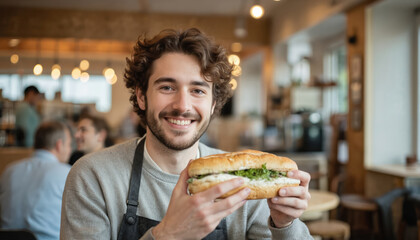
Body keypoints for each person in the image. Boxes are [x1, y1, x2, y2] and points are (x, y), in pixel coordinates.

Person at [61, 28, 312, 239]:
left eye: (198, 90)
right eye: (167, 87)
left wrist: (284, 226)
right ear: (141, 96)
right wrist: (168, 234)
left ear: (213, 104)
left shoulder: (244, 181)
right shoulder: (93, 176)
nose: (182, 105)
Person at [0, 121, 72, 240]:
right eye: (69, 144)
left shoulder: (9, 171)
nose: (70, 150)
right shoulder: (67, 173)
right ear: (59, 145)